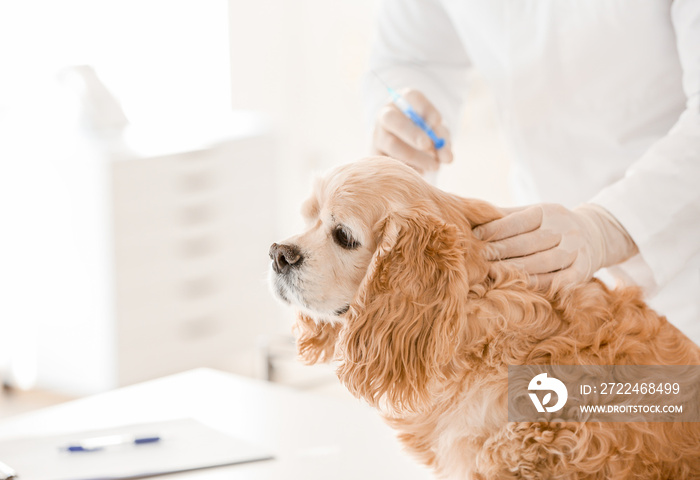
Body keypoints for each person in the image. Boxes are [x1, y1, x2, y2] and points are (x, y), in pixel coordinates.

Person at [364, 0, 700, 345]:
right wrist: (399, 116)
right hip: (543, 272)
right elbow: (412, 56)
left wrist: (608, 227)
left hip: (684, 256)